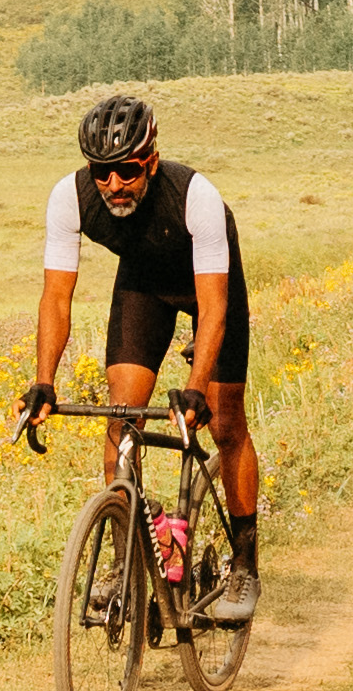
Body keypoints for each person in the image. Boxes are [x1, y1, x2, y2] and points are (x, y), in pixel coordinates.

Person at [18, 85, 260, 592]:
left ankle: (244, 565)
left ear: (150, 161)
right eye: (100, 171)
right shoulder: (71, 197)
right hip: (143, 288)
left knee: (225, 420)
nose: (113, 183)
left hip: (211, 288)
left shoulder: (196, 197)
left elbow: (214, 308)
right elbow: (55, 298)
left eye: (127, 170)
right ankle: (127, 560)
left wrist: (195, 387)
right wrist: (43, 381)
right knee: (121, 417)